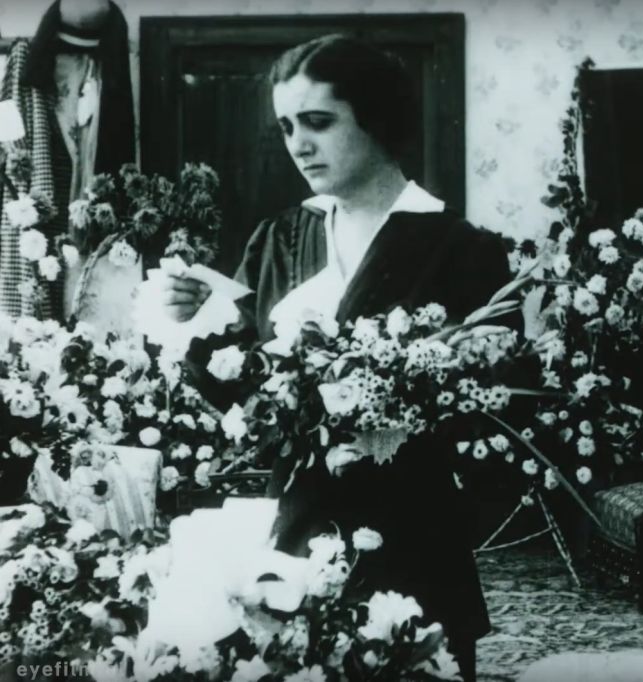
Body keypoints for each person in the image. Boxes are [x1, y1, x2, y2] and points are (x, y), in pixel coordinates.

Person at [164, 34, 517, 681]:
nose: (298, 144)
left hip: (415, 541)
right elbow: (239, 390)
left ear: (376, 118)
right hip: (297, 534)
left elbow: (492, 417)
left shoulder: (462, 249)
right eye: (287, 126)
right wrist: (197, 324)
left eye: (318, 122)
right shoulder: (279, 238)